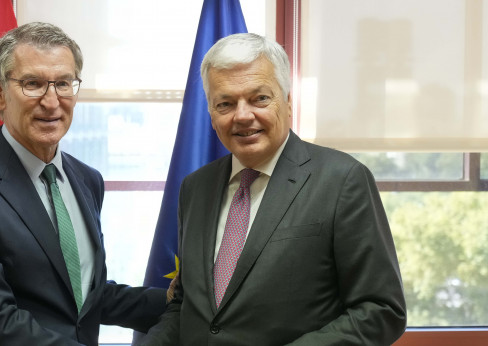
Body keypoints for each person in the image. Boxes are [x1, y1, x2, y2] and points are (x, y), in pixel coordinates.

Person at [140, 33, 407, 345]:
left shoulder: (342, 180)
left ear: (288, 102)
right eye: (225, 103)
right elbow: (187, 305)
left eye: (259, 99)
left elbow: (381, 310)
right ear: (211, 115)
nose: (242, 115)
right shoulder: (195, 187)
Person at [0, 22, 166, 346]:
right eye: (33, 84)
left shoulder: (87, 180)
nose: (52, 102)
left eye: (64, 83)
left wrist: (184, 302)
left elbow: (82, 295)